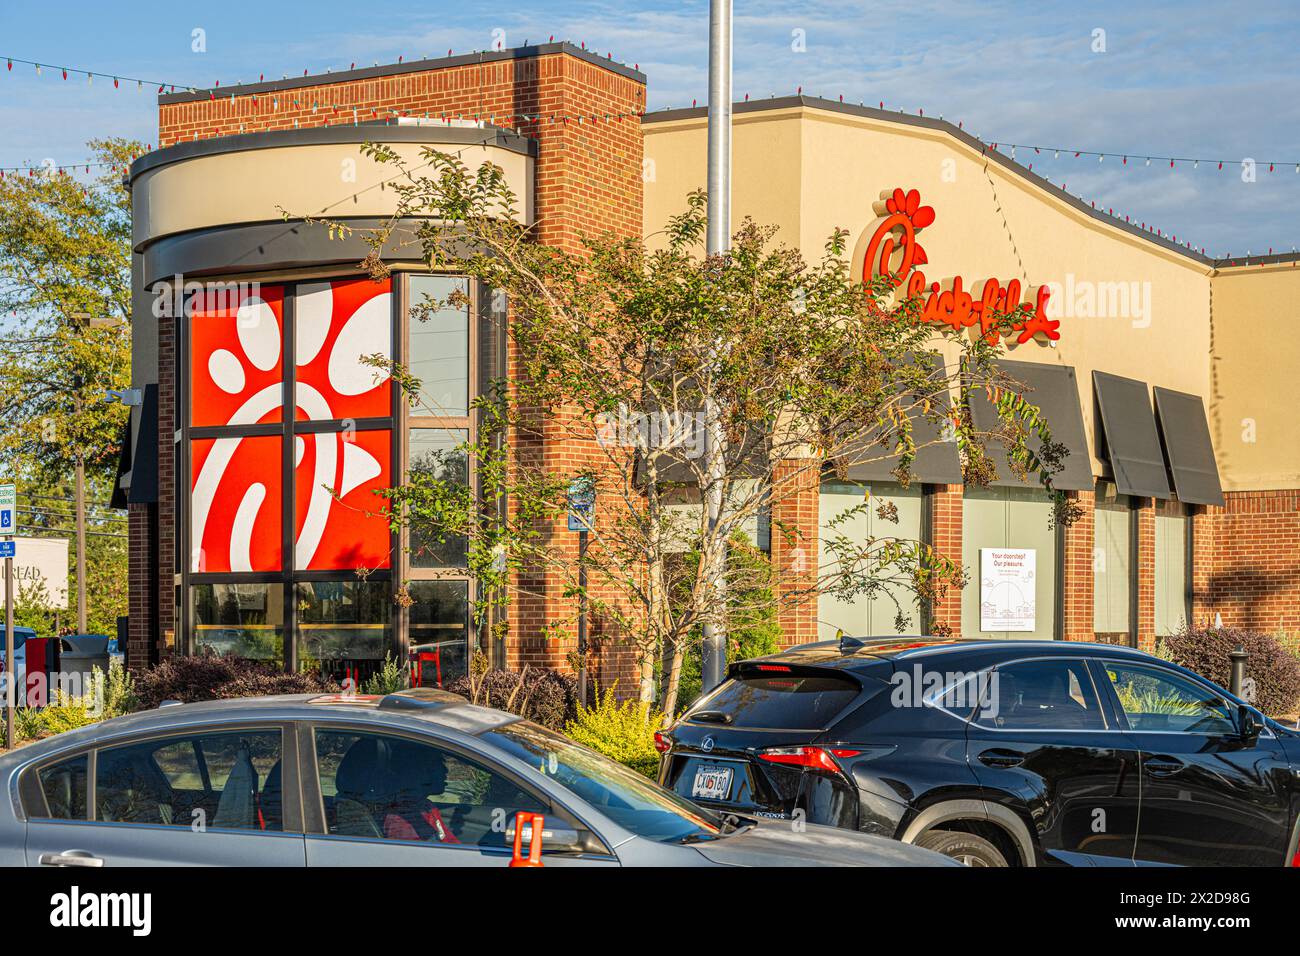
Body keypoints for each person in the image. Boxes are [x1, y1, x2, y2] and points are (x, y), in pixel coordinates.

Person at [379, 741, 460, 843]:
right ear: (417, 771)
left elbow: (450, 842)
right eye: (438, 764)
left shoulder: (425, 806)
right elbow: (420, 856)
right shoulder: (403, 819)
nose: (445, 770)